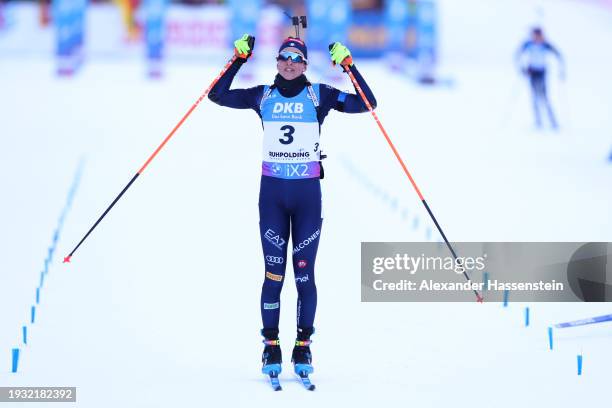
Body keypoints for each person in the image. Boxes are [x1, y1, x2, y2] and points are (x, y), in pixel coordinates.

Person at [208, 35, 377, 378]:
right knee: (273, 275)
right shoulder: (262, 95)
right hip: (272, 197)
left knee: (303, 275)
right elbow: (217, 95)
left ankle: (303, 345)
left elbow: (367, 104)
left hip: (306, 199)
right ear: (276, 62)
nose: (288, 63)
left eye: (295, 58)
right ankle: (271, 345)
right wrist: (237, 59)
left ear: (304, 64)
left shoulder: (320, 95)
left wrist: (349, 66)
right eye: (283, 58)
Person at [515, 27, 565, 130]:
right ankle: (538, 122)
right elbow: (517, 55)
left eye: (539, 35)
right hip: (532, 72)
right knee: (534, 97)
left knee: (544, 97)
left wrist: (561, 70)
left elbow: (559, 55)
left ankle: (553, 122)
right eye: (535, 35)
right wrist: (522, 69)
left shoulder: (546, 45)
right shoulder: (528, 44)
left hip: (542, 72)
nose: (537, 37)